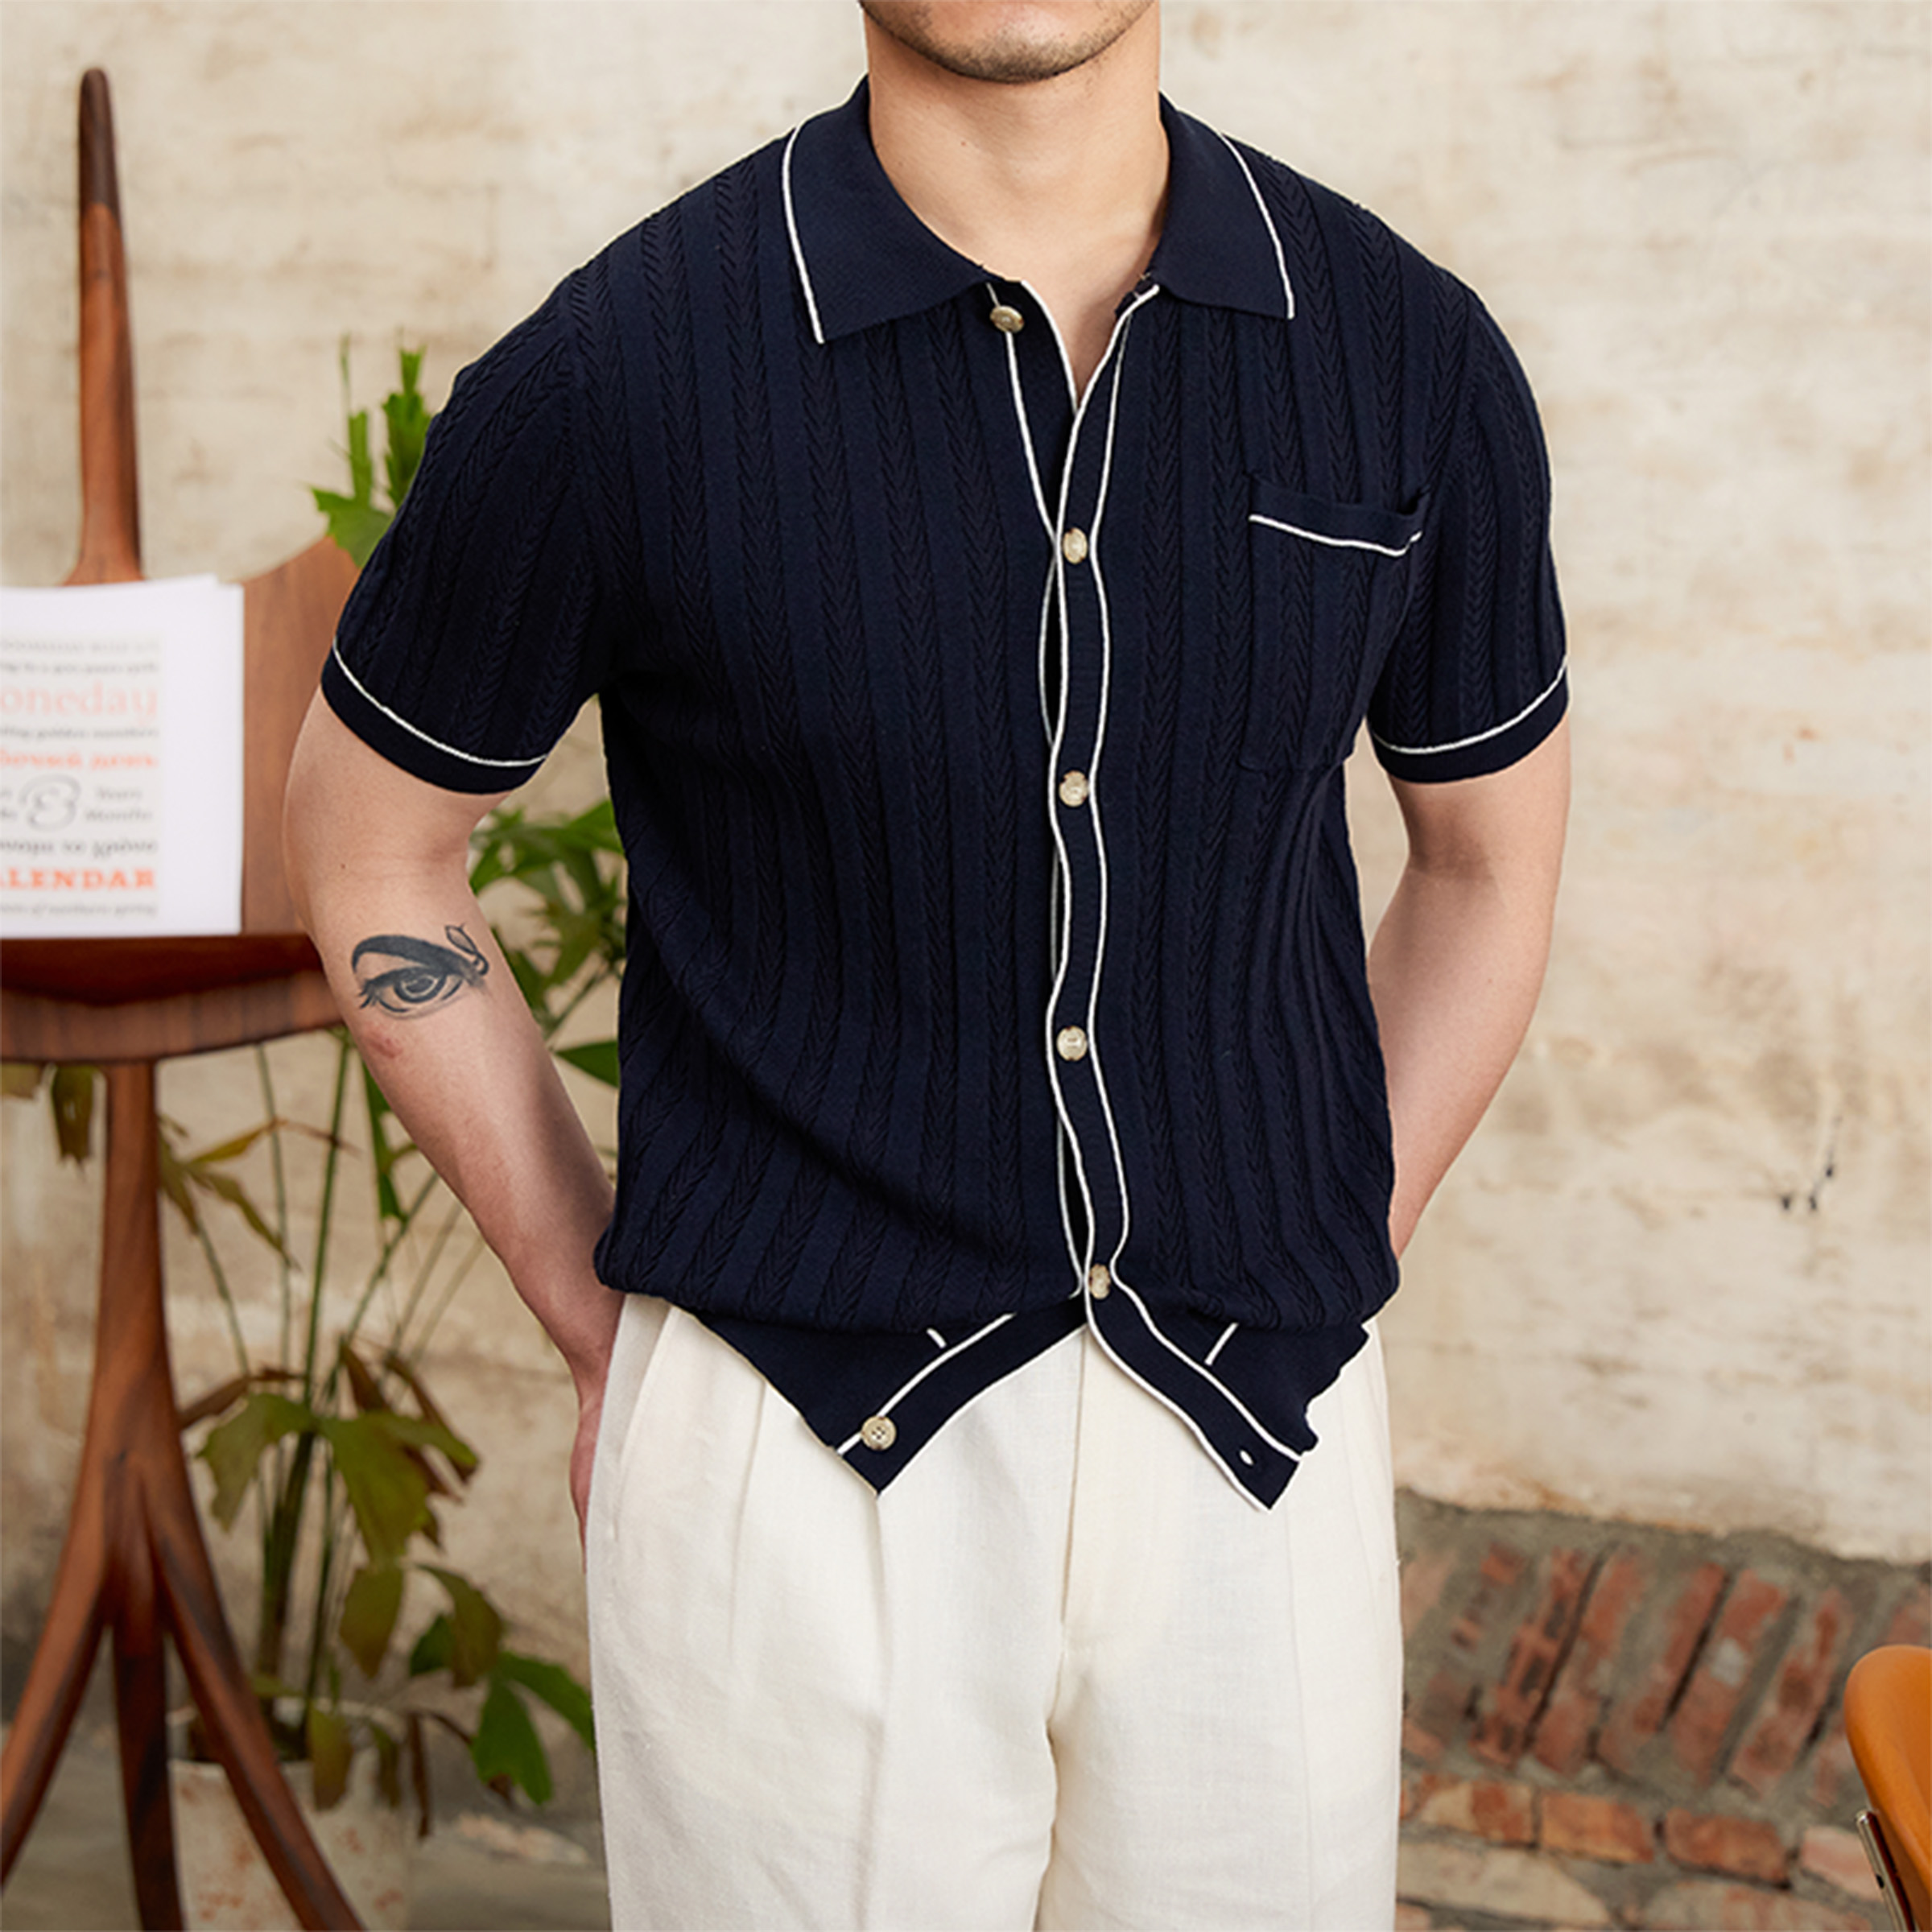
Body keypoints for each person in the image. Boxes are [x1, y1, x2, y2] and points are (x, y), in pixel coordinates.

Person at [284, 2, 1570, 1925]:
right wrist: (599, 1322)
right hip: (788, 1448)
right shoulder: (620, 373)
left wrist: (1318, 1236)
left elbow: (1485, 870)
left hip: (1260, 1438)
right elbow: (370, 838)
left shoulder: (1402, 351)